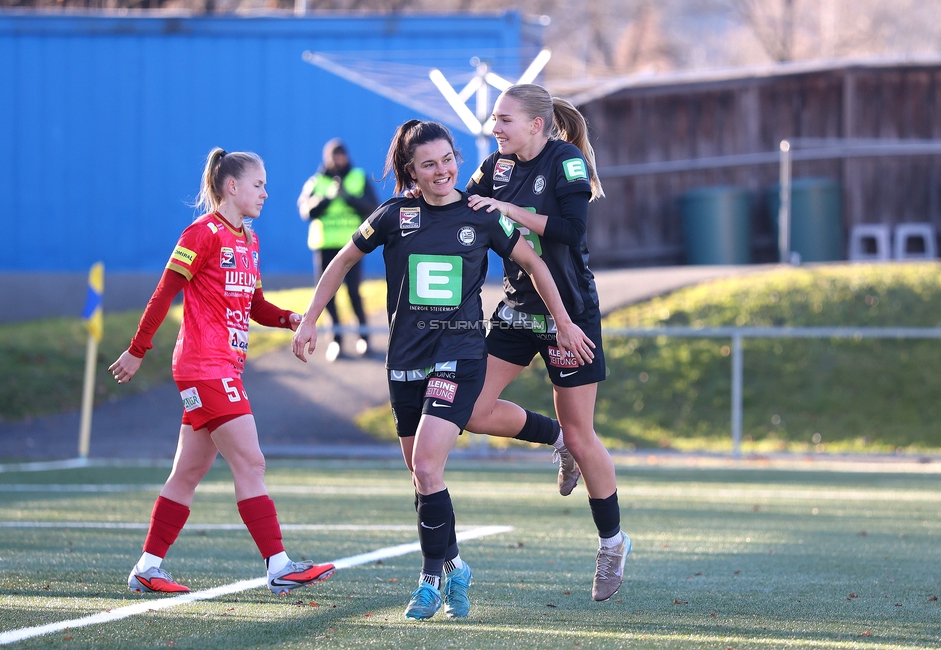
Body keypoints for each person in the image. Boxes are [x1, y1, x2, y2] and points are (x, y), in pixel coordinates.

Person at [292, 120, 594, 620]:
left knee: (429, 466)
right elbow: (341, 261)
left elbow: (537, 264)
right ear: (411, 170)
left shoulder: (481, 216)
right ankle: (454, 564)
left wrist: (563, 322)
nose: (442, 171)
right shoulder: (393, 215)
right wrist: (309, 320)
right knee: (420, 475)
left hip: (461, 354)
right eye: (429, 164)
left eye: (448, 159)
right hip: (405, 361)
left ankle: (429, 579)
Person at [109, 148, 335, 596]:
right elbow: (163, 294)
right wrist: (137, 350)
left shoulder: (248, 239)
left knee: (188, 473)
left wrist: (290, 318)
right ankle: (279, 565)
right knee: (251, 461)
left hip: (219, 369)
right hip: (204, 368)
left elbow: (254, 306)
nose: (266, 194)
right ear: (231, 186)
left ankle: (147, 567)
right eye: (259, 184)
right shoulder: (202, 233)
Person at [464, 83, 631, 601]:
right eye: (495, 119)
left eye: (504, 119)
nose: (496, 128)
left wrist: (506, 211)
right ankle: (555, 439)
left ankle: (613, 542)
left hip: (570, 316)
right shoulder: (495, 166)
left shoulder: (567, 162)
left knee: (587, 436)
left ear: (536, 124)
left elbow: (569, 232)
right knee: (470, 408)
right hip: (517, 309)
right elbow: (461, 201)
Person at [297, 138, 379, 361]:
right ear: (327, 159)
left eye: (341, 155)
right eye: (334, 156)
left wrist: (347, 197)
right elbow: (306, 210)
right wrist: (328, 197)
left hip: (352, 246)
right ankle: (336, 342)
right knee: (327, 296)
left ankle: (363, 338)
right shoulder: (316, 182)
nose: (338, 160)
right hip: (325, 246)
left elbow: (373, 207)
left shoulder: (358, 178)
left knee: (353, 292)